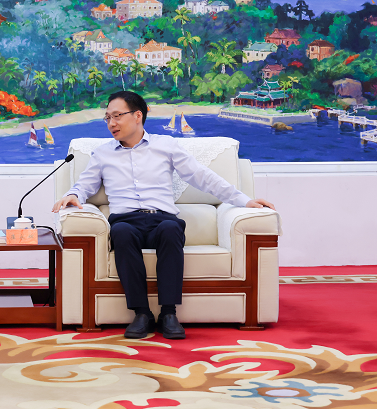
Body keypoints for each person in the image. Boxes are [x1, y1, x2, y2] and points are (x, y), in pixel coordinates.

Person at [52, 91, 275, 340]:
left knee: (171, 229)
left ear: (137, 115)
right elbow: (85, 184)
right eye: (107, 118)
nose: (111, 123)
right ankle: (141, 313)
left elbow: (201, 176)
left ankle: (169, 313)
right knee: (121, 233)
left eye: (117, 116)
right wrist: (73, 195)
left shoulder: (165, 145)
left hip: (162, 219)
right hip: (125, 220)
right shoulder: (103, 153)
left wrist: (245, 200)